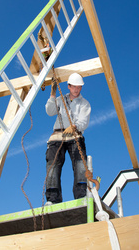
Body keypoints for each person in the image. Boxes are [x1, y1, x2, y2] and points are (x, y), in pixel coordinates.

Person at [45, 72, 91, 205]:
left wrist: (75, 126)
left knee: (80, 165)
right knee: (52, 164)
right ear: (69, 86)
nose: (77, 89)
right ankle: (53, 199)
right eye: (74, 87)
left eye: (79, 87)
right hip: (58, 136)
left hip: (75, 135)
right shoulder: (60, 99)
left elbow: (84, 121)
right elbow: (50, 111)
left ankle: (81, 196)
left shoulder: (84, 103)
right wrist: (52, 94)